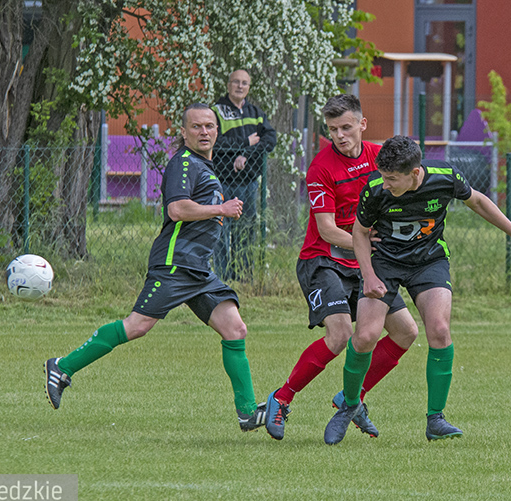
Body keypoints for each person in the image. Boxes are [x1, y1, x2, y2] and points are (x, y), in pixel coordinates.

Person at [44, 103, 267, 432]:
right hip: (175, 264)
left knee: (235, 329)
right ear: (184, 132)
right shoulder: (184, 163)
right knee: (137, 326)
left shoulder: (204, 166)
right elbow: (177, 209)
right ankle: (62, 367)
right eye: (196, 126)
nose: (204, 131)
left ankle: (247, 411)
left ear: (217, 130)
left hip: (198, 270)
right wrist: (220, 208)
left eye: (209, 126)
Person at [324, 135, 511, 445]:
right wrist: (368, 276)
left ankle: (435, 419)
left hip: (428, 260)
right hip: (385, 262)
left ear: (415, 172)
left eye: (392, 178)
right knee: (366, 335)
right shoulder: (375, 189)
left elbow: (477, 200)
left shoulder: (445, 177)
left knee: (439, 330)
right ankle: (350, 405)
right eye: (383, 176)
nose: (386, 184)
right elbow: (359, 232)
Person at [263, 95, 420, 441]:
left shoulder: (380, 158)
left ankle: (352, 398)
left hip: (363, 262)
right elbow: (328, 230)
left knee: (406, 332)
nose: (339, 135)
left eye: (346, 127)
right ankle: (282, 398)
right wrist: (371, 244)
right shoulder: (321, 167)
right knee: (340, 335)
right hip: (324, 260)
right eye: (333, 129)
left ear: (362, 124)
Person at [211, 69, 277, 281]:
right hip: (222, 181)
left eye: (244, 83)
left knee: (246, 231)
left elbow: (270, 139)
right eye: (236, 82)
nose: (240, 86)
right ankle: (222, 277)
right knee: (221, 231)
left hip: (247, 183)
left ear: (249, 87)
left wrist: (246, 154)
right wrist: (244, 142)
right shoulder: (216, 111)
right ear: (228, 85)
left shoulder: (255, 113)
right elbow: (214, 141)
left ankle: (244, 276)